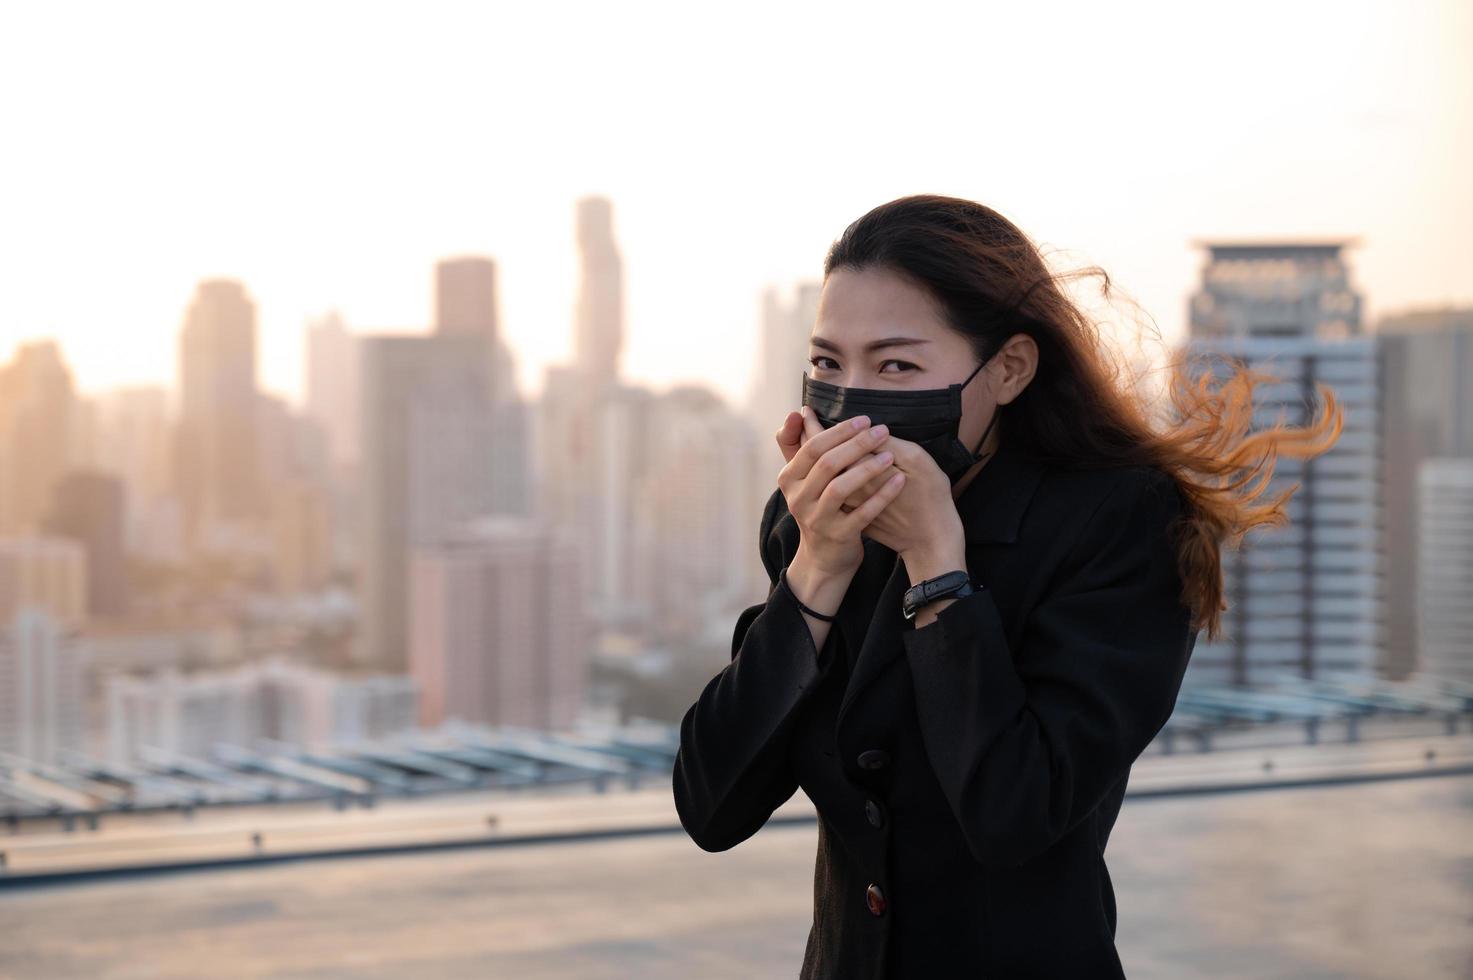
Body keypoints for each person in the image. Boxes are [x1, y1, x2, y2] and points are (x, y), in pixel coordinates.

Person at [670, 194, 1343, 979]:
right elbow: (712, 806)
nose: (850, 400)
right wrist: (817, 566)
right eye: (827, 364)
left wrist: (938, 571)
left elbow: (1015, 814)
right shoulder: (814, 521)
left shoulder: (1118, 521)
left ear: (1010, 369)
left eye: (895, 365)